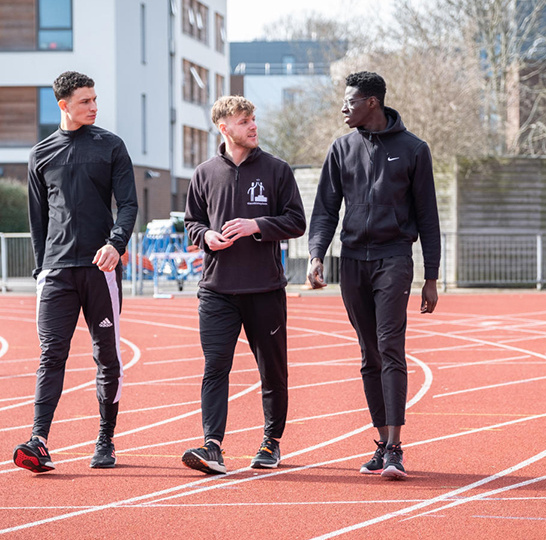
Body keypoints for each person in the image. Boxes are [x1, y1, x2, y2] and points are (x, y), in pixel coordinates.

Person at [307, 71, 440, 479]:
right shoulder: (341, 148)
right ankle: (382, 444)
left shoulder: (414, 149)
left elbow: (428, 217)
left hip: (393, 258)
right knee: (369, 354)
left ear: (372, 103)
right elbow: (326, 209)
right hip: (352, 261)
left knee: (390, 347)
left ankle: (396, 448)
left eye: (350, 101)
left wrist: (431, 277)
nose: (343, 108)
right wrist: (316, 255)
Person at [13, 71, 138, 473]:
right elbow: (37, 220)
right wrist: (41, 269)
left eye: (95, 99)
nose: (94, 106)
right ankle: (38, 440)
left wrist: (115, 244)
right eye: (85, 101)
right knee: (51, 354)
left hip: (101, 269)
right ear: (63, 105)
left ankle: (105, 439)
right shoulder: (40, 155)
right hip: (56, 272)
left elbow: (129, 205)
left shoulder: (111, 146)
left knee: (106, 355)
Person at [181, 96, 306, 475]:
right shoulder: (204, 173)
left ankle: (271, 442)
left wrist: (258, 226)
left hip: (264, 290)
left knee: (273, 371)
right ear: (224, 128)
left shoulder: (277, 170)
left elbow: (297, 221)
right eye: (244, 121)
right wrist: (206, 236)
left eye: (253, 119)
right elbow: (192, 222)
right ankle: (212, 446)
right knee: (215, 368)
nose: (253, 126)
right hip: (216, 290)